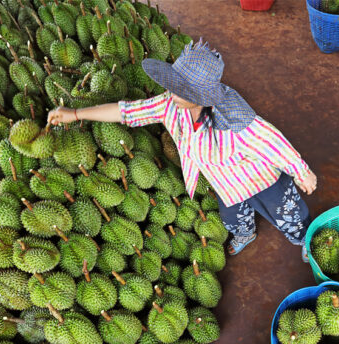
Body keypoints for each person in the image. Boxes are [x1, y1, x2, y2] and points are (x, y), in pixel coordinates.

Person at [47, 39, 317, 259]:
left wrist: (302, 172)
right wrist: (74, 113)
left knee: (289, 213)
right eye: (173, 86)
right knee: (233, 217)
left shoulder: (237, 122)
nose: (171, 93)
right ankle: (245, 233)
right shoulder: (169, 105)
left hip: (260, 178)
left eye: (180, 90)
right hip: (227, 183)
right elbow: (126, 111)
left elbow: (275, 143)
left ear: (201, 97)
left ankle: (304, 238)